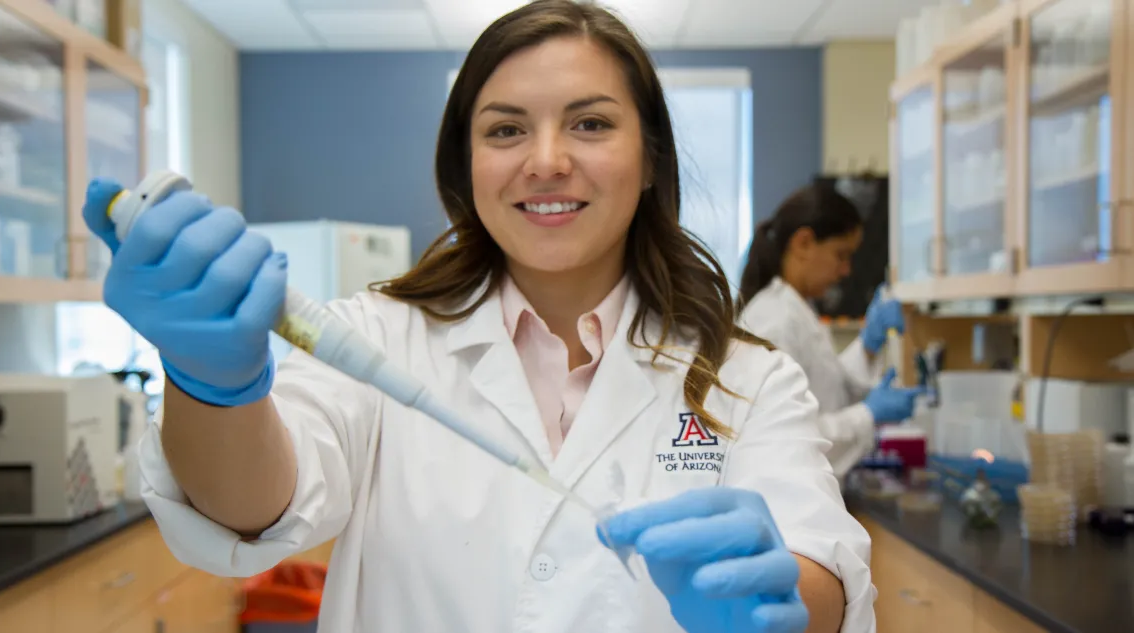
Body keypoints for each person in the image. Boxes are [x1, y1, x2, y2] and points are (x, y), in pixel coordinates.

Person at [83, 2, 875, 631]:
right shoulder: (373, 335)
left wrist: (780, 605)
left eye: (591, 122)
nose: (546, 159)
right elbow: (255, 507)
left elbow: (825, 571)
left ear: (651, 159)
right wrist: (210, 384)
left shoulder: (747, 374)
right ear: (467, 166)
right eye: (505, 129)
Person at [737, 182, 922, 480]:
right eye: (841, 255)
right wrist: (868, 415)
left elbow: (824, 391)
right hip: (790, 504)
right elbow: (787, 439)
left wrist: (868, 344)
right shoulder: (774, 321)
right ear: (804, 243)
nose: (846, 270)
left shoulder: (796, 309)